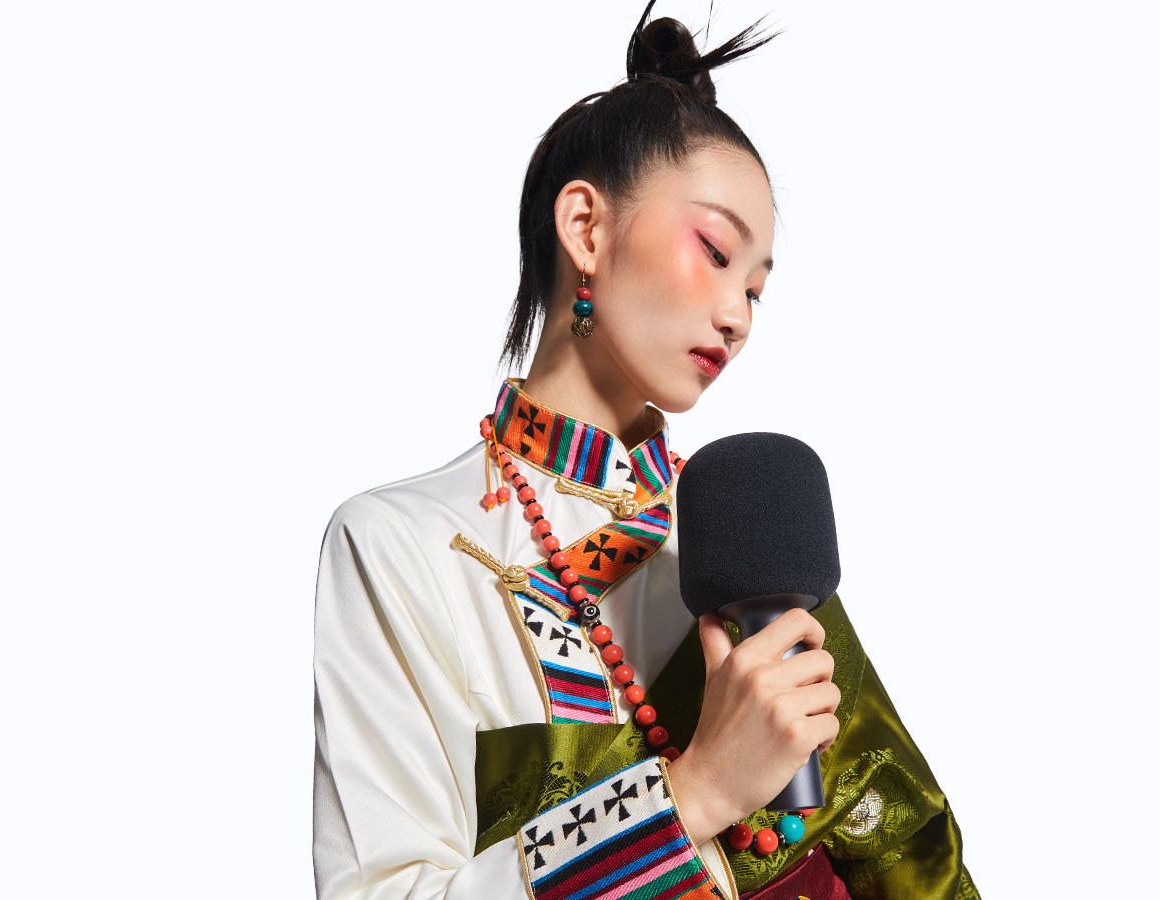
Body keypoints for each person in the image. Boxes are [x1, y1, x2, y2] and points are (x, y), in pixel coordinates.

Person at [312, 4, 980, 898]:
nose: (738, 317)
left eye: (756, 289)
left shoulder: (747, 538)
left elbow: (909, 850)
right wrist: (693, 794)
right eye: (715, 251)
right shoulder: (399, 545)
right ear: (586, 228)